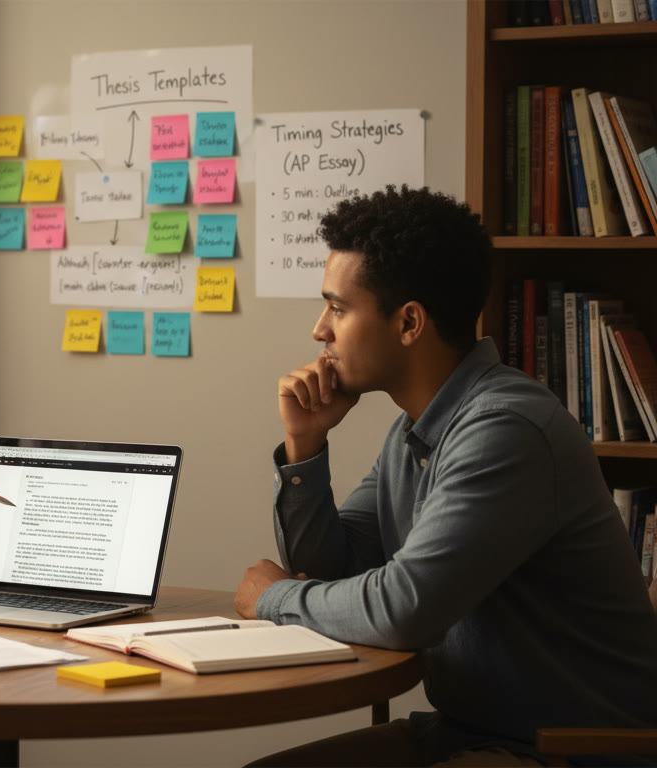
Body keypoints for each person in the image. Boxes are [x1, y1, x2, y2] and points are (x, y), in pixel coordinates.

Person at [236, 185, 657, 767]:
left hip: (568, 750)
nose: (319, 331)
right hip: (465, 733)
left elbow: (402, 609)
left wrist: (274, 599)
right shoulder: (419, 430)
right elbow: (334, 568)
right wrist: (306, 446)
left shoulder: (505, 431)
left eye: (337, 307)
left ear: (409, 322)